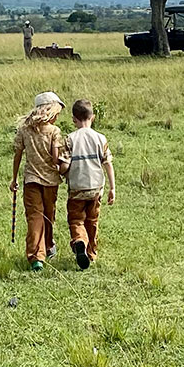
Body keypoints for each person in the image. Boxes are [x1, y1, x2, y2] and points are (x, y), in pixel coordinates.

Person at [10, 91, 68, 271]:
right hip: (51, 181)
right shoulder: (54, 131)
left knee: (34, 217)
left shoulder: (24, 130)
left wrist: (14, 179)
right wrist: (65, 164)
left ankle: (36, 256)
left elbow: (18, 154)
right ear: (50, 110)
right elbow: (55, 158)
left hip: (31, 181)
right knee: (49, 215)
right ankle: (49, 246)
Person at [63, 99, 115, 269]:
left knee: (76, 219)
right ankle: (91, 253)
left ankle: (79, 242)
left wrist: (60, 171)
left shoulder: (70, 139)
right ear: (92, 117)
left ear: (73, 119)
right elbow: (107, 163)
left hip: (77, 188)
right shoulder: (101, 138)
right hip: (96, 188)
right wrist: (112, 188)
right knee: (92, 220)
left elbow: (64, 165)